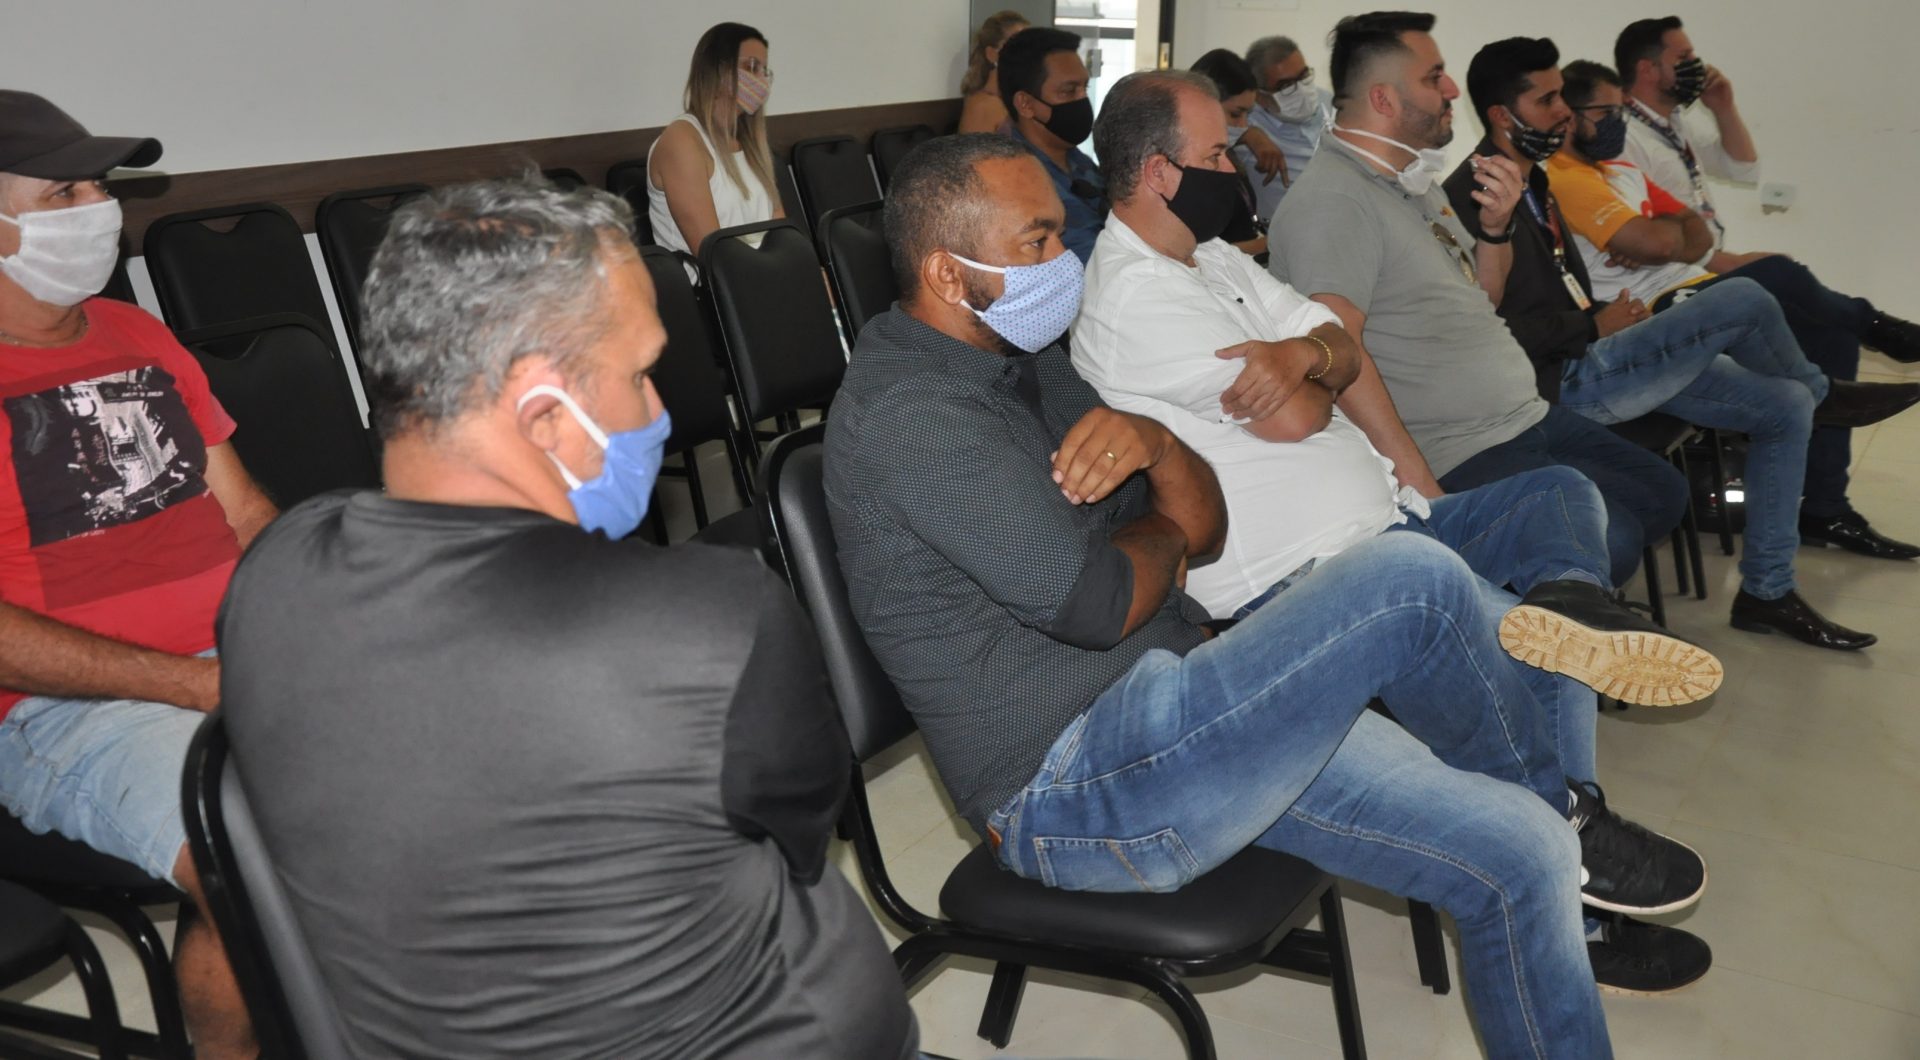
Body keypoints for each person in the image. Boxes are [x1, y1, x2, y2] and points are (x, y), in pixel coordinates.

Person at [831, 132, 1716, 1057]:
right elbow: (1099, 606)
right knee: (1407, 580)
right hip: (1071, 789)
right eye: (1038, 241)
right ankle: (1569, 807)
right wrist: (1159, 528)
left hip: (1180, 709)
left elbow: (1202, 527)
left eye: (1061, 234)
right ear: (947, 272)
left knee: (1525, 854)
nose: (1065, 262)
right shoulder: (912, 414)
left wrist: (1159, 449)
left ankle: (1558, 822)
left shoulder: (1029, 358)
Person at [216, 178, 920, 1059]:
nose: (659, 411)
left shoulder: (272, 574)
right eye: (639, 376)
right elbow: (804, 836)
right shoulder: (709, 621)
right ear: (545, 415)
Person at [1073, 67, 1719, 991]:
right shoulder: (1134, 295)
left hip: (1392, 522)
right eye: (1217, 153)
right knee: (1534, 653)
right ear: (1158, 173)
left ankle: (1572, 610)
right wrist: (1311, 367)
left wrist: (1303, 354)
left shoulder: (1209, 256)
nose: (1238, 166)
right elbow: (1299, 414)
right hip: (1300, 579)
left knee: (1556, 497)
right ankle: (1574, 868)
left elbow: (1339, 350)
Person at [1446, 38, 1920, 651]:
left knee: (1785, 405)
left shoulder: (1534, 179)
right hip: (1560, 381)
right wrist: (1591, 326)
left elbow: (1605, 269)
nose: (1564, 112)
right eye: (1548, 100)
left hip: (1594, 350)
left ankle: (1767, 591)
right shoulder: (1474, 196)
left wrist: (1599, 319)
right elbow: (1482, 331)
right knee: (1745, 296)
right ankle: (1824, 392)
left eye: (1563, 95)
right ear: (1501, 115)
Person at [0, 91, 277, 1060]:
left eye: (98, 187)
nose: (98, 210)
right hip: (62, 711)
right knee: (256, 855)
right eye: (64, 192)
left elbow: (246, 514)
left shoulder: (137, 332)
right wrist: (195, 685)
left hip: (227, 664)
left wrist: (314, 622)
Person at [1267, 12, 1688, 589]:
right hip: (1457, 448)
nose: (1451, 90)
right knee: (1611, 540)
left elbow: (1482, 296)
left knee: (1662, 492)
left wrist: (1496, 229)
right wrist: (1427, 493)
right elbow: (1338, 354)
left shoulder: (1410, 182)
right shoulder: (1334, 202)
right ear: (1384, 99)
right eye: (1433, 77)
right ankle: (1537, 616)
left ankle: (1554, 600)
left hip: (1523, 416)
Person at [1547, 60, 1920, 563]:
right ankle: (1866, 340)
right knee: (1773, 281)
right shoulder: (1565, 177)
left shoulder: (1621, 170)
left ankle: (1826, 506)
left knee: (1827, 331)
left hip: (1693, 282)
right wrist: (1660, 237)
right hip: (1655, 309)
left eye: (1621, 112)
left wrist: (1663, 236)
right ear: (1569, 115)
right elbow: (1658, 241)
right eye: (1606, 113)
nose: (1618, 124)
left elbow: (1694, 232)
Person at [1615, 14, 1920, 363]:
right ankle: (1874, 325)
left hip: (1701, 268)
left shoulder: (1671, 123)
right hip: (1666, 283)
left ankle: (1843, 371)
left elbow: (1742, 167)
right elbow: (1641, 240)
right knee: (1783, 275)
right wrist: (1727, 262)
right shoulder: (1624, 137)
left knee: (1832, 326)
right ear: (1647, 69)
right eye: (1684, 58)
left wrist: (1723, 107)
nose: (1697, 65)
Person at [647, 22, 783, 264]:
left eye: (765, 71)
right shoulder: (681, 141)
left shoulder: (751, 143)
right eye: (751, 67)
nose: (761, 79)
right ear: (718, 70)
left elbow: (782, 234)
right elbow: (713, 254)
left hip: (767, 275)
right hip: (713, 284)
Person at [998, 26, 1107, 262]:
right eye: (1069, 91)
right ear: (1026, 104)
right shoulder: (1015, 182)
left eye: (1084, 87)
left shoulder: (1076, 160)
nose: (1082, 100)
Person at [1186, 49, 1270, 257]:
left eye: (1247, 114)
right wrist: (1266, 245)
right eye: (1235, 114)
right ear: (1203, 106)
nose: (1243, 125)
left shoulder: (1229, 155)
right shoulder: (1185, 171)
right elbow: (1194, 253)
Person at [1242, 35, 1333, 220]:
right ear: (1260, 95)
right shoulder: (1246, 121)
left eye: (1304, 76)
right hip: (1288, 232)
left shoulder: (1332, 104)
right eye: (1286, 85)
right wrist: (1247, 134)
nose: (1302, 90)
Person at [958, 10, 1030, 134]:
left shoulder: (1019, 99)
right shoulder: (982, 105)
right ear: (991, 54)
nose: (1027, 54)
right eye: (1017, 46)